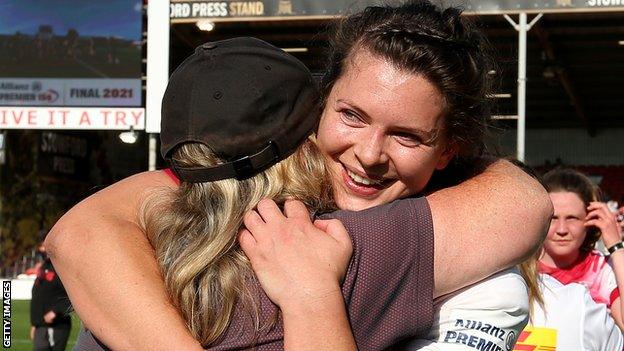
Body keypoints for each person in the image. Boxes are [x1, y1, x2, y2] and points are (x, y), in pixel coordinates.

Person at [45, 2, 552, 350]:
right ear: (317, 106)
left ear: (450, 151)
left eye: (407, 137)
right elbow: (80, 231)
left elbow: (81, 228)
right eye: (351, 116)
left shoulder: (164, 242)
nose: (369, 154)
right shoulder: (371, 249)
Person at [539, 168, 624, 331]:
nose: (562, 229)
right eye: (553, 218)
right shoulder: (519, 268)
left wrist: (616, 246)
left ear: (591, 219)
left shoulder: (604, 270)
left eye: (572, 218)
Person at [30, 242, 72, 351]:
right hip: (41, 326)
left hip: (56, 326)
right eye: (41, 246)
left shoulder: (61, 270)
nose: (42, 249)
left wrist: (55, 311)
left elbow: (71, 297)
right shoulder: (44, 267)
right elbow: (38, 296)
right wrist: (35, 324)